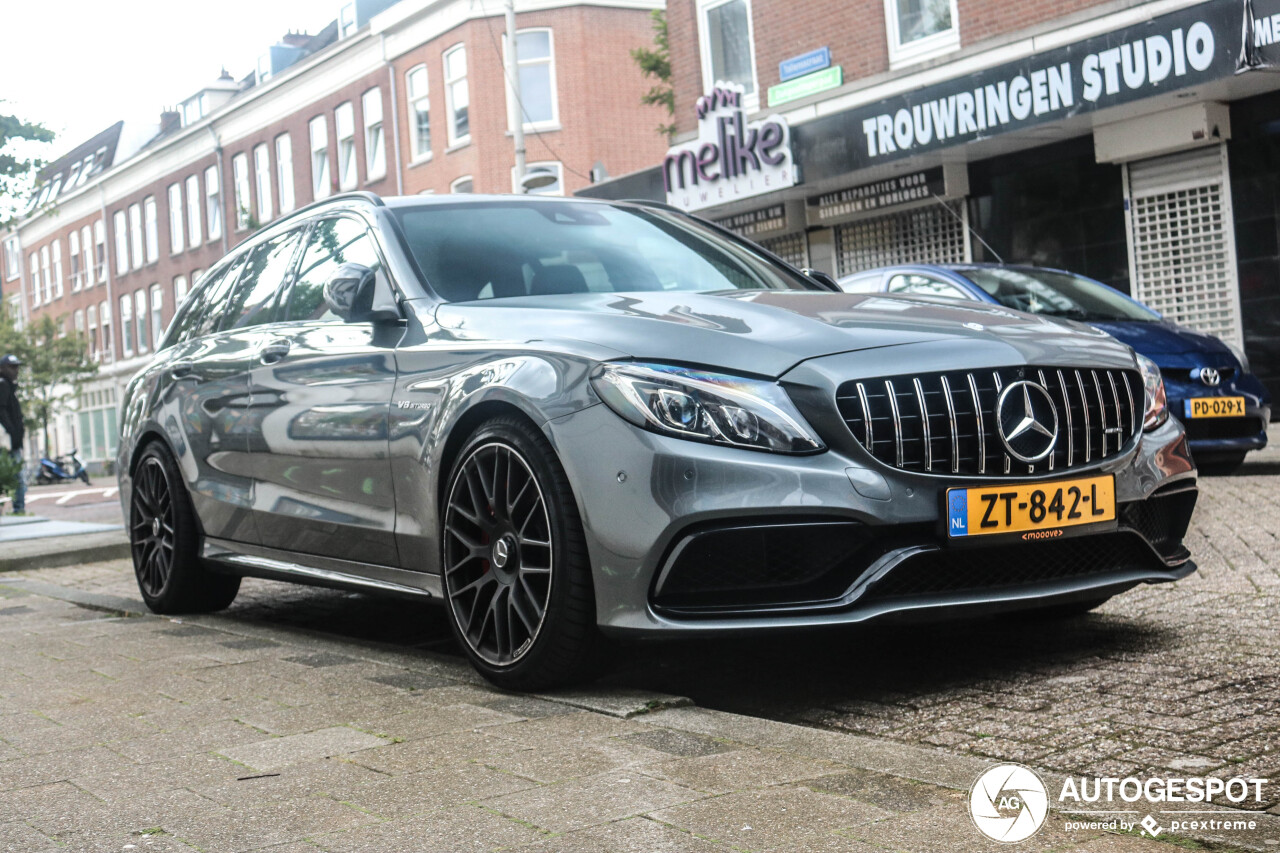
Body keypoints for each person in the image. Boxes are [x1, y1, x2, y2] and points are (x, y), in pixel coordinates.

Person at [0, 354, 26, 514]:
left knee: (16, 479)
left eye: (17, 367)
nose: (16, 370)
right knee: (17, 479)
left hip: (11, 442)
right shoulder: (3, 385)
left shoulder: (8, 386)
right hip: (8, 443)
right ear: (2, 369)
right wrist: (13, 432)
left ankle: (19, 510)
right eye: (12, 367)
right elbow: (1, 411)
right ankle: (19, 511)